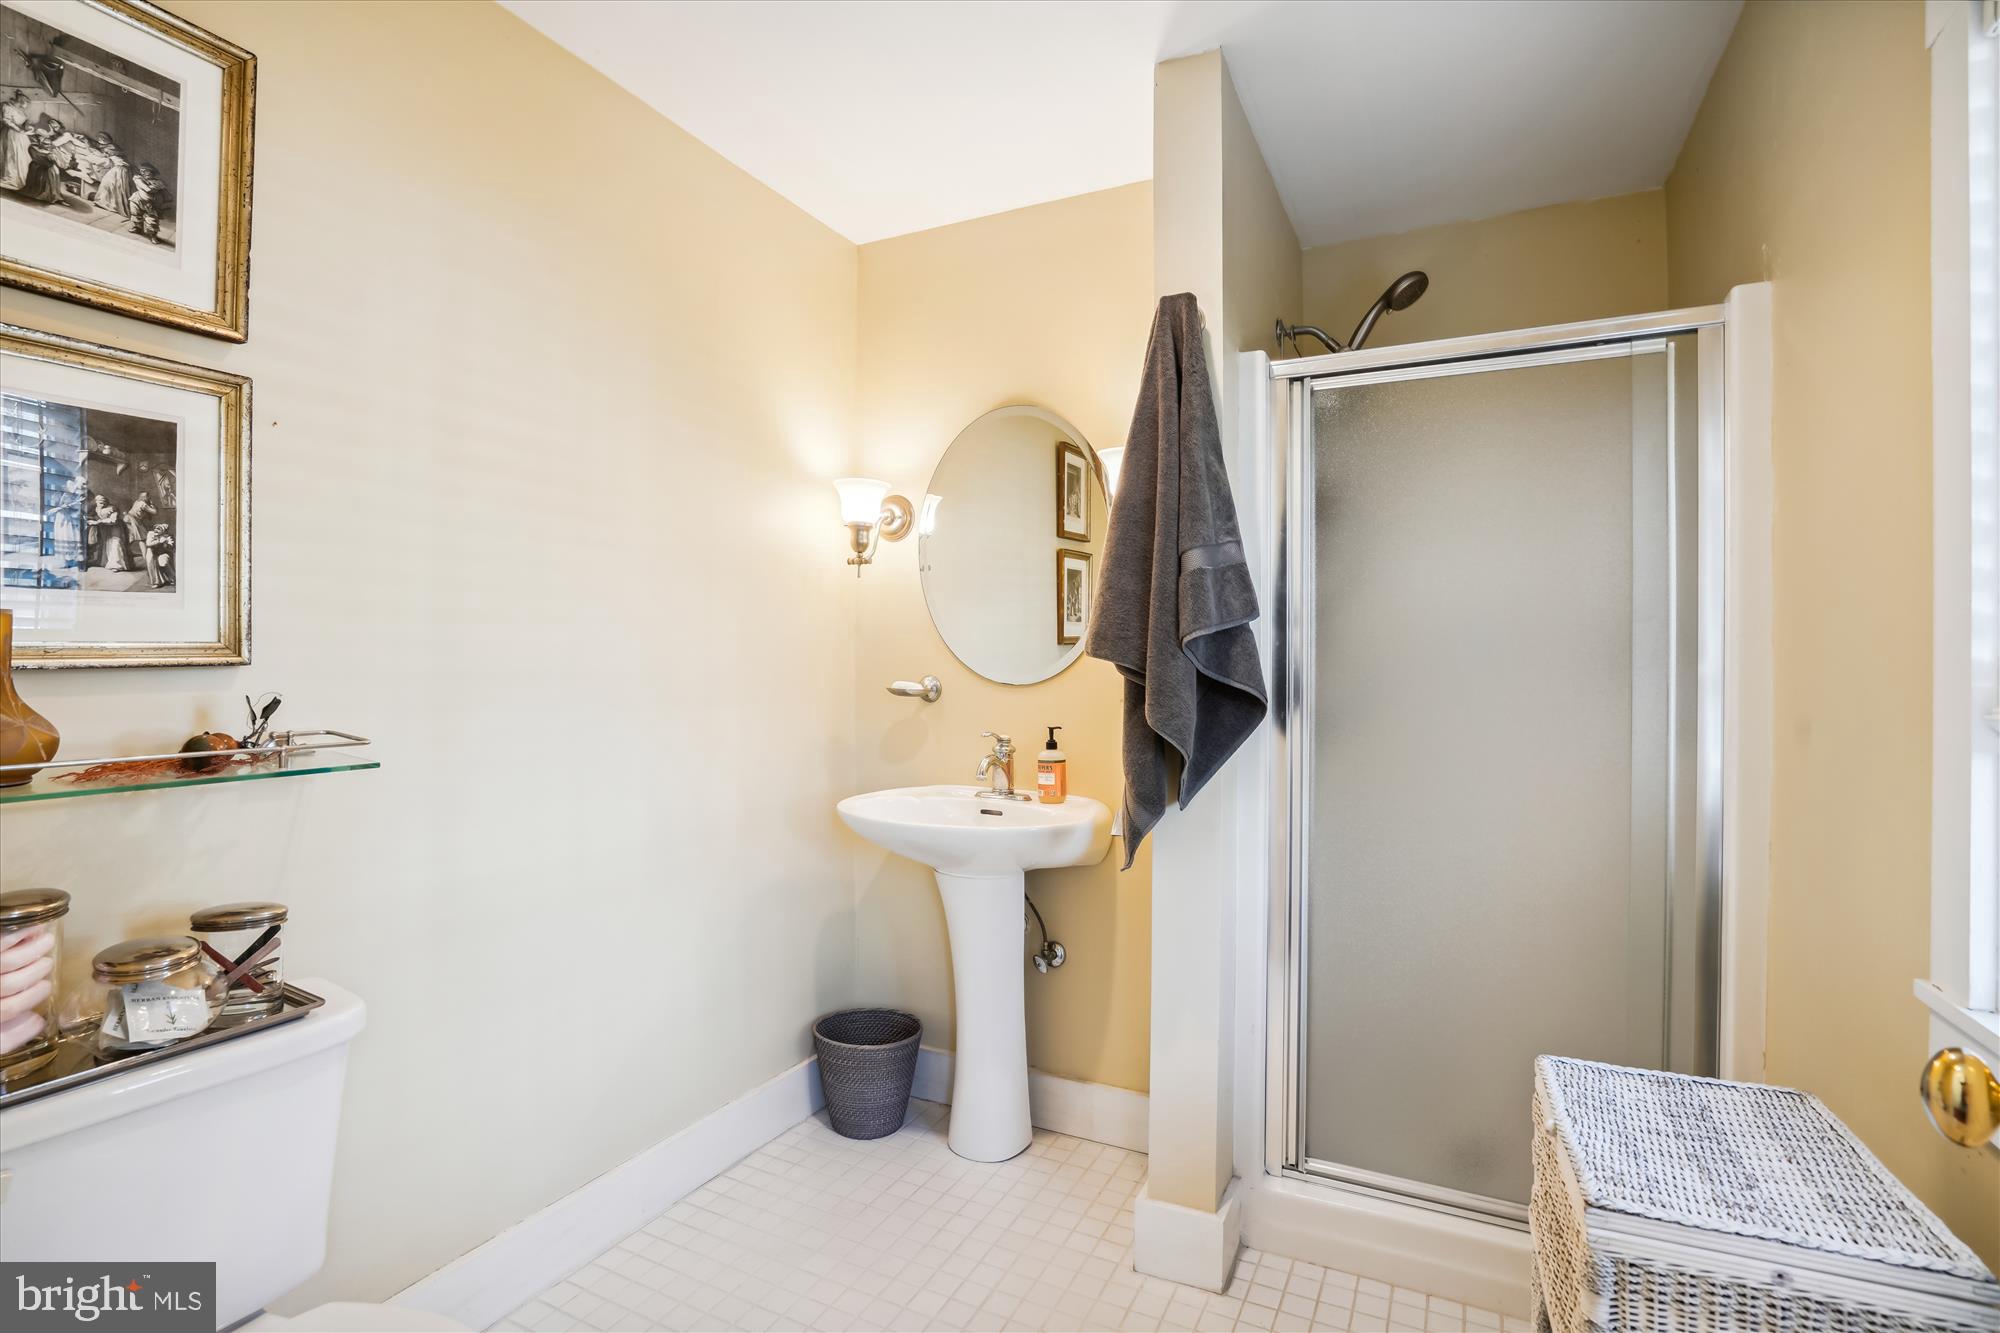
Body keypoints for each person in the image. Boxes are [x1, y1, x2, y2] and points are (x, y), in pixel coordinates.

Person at [88, 133, 129, 214]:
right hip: (119, 169)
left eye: (101, 139)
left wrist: (103, 156)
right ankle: (107, 202)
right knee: (109, 185)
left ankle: (107, 203)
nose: (99, 141)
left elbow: (108, 158)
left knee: (108, 184)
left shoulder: (111, 148)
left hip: (119, 170)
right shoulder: (108, 148)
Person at [87, 494, 128, 572]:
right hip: (105, 529)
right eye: (100, 502)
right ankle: (109, 563)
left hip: (116, 527)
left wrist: (97, 522)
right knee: (108, 544)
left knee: (115, 544)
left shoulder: (112, 508)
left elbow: (113, 520)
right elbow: (97, 516)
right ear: (96, 502)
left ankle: (117, 565)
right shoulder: (97, 509)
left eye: (104, 501)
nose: (102, 503)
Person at [0, 93, 30, 191]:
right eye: (26, 103)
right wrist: (18, 130)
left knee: (23, 155)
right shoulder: (7, 106)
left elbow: (24, 122)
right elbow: (6, 121)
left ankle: (23, 178)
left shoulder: (21, 111)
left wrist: (27, 127)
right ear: (21, 101)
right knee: (12, 154)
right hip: (11, 134)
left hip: (21, 135)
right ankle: (11, 178)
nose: (26, 105)